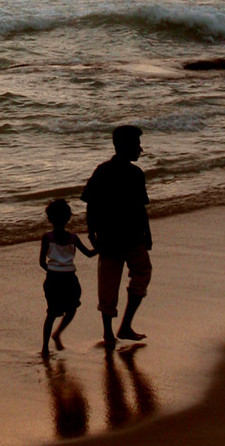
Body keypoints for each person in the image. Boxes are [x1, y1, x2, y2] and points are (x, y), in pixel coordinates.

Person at [81, 125, 152, 348]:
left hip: (110, 237)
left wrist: (92, 232)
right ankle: (124, 326)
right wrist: (147, 234)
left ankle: (110, 333)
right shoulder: (135, 174)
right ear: (125, 147)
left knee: (108, 285)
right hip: (131, 236)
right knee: (141, 275)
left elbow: (90, 205)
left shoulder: (102, 170)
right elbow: (141, 209)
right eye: (137, 145)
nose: (140, 150)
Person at [40, 199, 96, 357]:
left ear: (49, 218)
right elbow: (90, 254)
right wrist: (100, 246)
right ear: (68, 218)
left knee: (51, 314)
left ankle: (45, 347)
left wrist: (52, 270)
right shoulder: (73, 238)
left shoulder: (47, 237)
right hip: (70, 279)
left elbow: (41, 262)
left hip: (53, 279)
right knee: (71, 309)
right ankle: (57, 334)